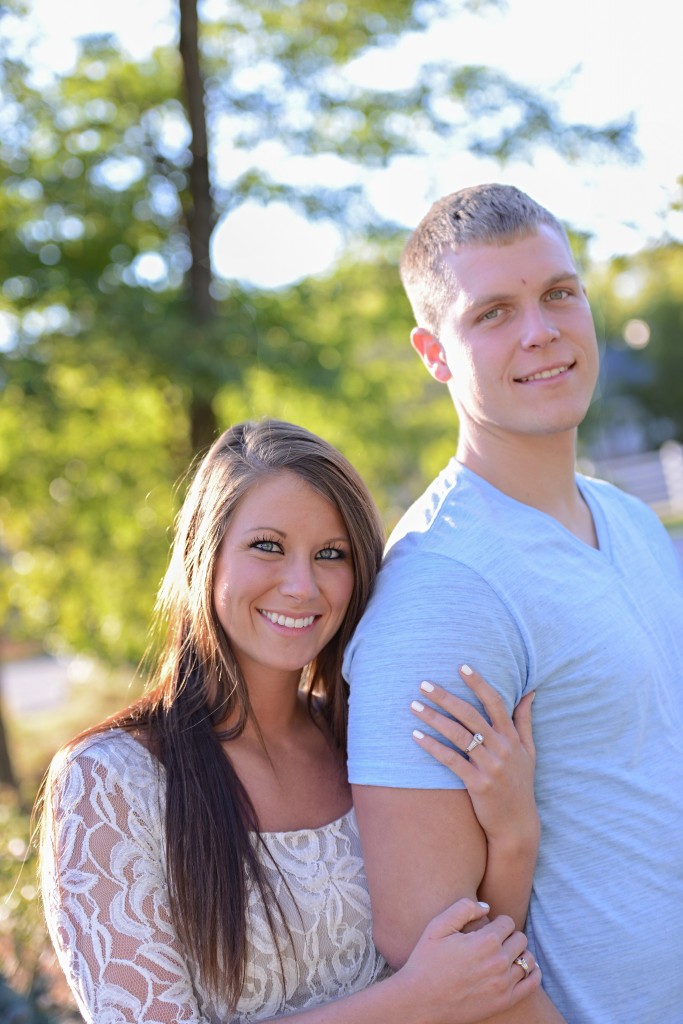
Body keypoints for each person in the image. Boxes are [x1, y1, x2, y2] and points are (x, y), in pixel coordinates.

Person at [39, 418, 542, 1024]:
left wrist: (514, 835)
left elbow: (481, 978)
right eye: (268, 546)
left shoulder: (368, 743)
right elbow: (439, 992)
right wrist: (411, 1002)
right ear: (208, 552)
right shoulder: (109, 782)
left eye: (331, 554)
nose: (302, 586)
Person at [343, 183, 683, 1023]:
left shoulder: (630, 521)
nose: (541, 332)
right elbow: (431, 944)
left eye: (558, 294)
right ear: (433, 353)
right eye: (492, 311)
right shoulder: (440, 587)